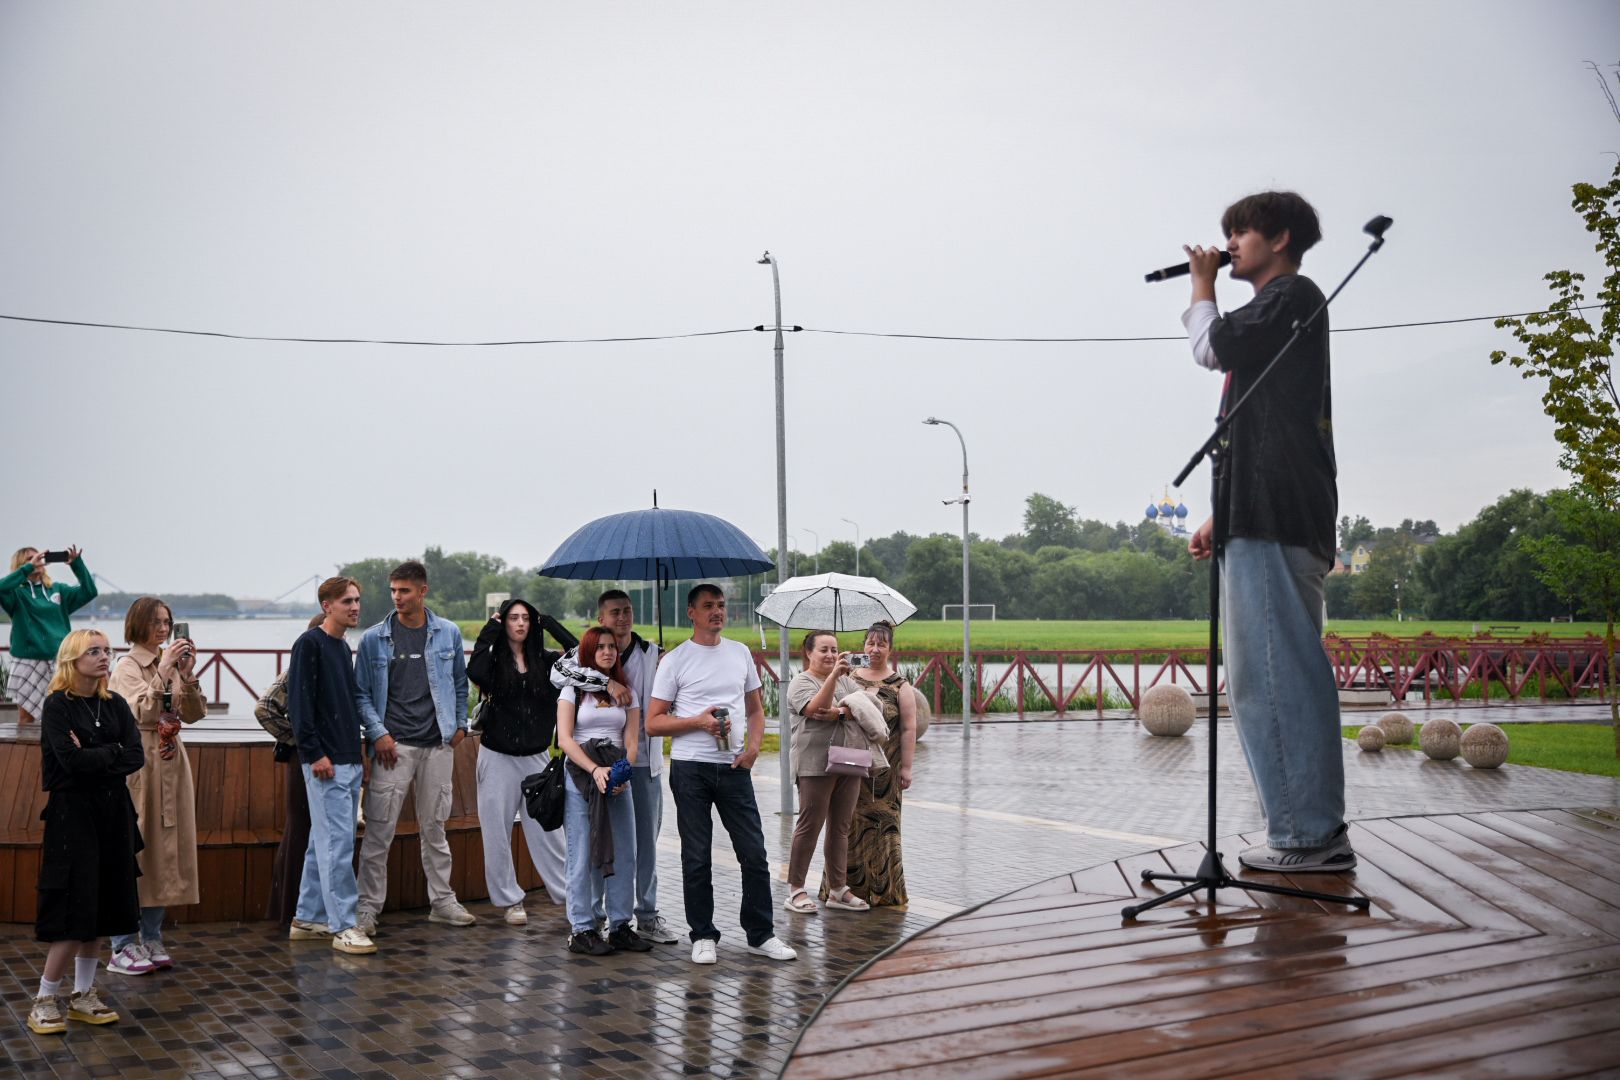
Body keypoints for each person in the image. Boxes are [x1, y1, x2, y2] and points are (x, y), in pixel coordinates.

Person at [1181, 190, 1353, 873]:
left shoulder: (1290, 297)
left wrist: (1201, 287)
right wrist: (1226, 510)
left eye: (1239, 234)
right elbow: (1267, 427)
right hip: (1269, 513)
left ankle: (1308, 837)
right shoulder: (1284, 311)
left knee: (1275, 678)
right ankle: (1306, 830)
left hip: (1277, 520)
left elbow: (1212, 346)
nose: (1229, 245)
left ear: (1278, 237)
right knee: (1272, 673)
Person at [647, 584, 796, 965]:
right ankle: (703, 935)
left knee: (755, 853)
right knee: (696, 856)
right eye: (708, 606)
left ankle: (760, 934)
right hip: (690, 768)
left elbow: (757, 710)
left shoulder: (740, 653)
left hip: (733, 768)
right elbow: (653, 723)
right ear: (691, 613)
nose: (717, 611)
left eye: (721, 605)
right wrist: (698, 722)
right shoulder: (675, 661)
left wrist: (753, 749)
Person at [27, 630, 144, 1035]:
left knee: (103, 906)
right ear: (72, 659)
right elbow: (70, 763)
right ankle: (44, 998)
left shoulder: (117, 705)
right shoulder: (57, 706)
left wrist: (100, 754)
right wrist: (110, 752)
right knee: (73, 908)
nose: (103, 657)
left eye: (106, 650)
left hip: (113, 813)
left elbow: (136, 755)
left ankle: (82, 995)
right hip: (72, 816)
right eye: (93, 651)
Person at [551, 589, 680, 944]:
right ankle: (588, 922)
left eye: (627, 611)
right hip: (586, 770)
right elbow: (557, 677)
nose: (622, 617)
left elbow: (657, 707)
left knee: (638, 846)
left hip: (636, 765)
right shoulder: (580, 660)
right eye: (614, 612)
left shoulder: (652, 653)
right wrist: (605, 681)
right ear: (601, 619)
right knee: (588, 846)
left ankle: (641, 918)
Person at [353, 560, 475, 934]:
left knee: (435, 829)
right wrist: (379, 734)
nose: (397, 597)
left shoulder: (448, 633)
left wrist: (459, 726)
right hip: (394, 747)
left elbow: (459, 684)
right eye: (393, 590)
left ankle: (442, 902)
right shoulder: (374, 638)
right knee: (378, 832)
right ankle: (367, 909)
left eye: (404, 591)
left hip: (438, 745)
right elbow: (360, 694)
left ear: (422, 591)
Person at [106, 597, 208, 975]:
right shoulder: (127, 666)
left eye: (168, 622)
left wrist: (188, 672)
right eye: (156, 622)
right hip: (140, 760)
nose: (164, 629)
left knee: (167, 851)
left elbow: (195, 714)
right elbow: (140, 711)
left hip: (171, 761)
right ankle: (121, 943)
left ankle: (151, 934)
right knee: (134, 851)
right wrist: (164, 670)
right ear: (139, 625)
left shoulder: (172, 664)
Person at [466, 598, 578, 925]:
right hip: (497, 757)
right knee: (496, 832)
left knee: (548, 831)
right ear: (504, 623)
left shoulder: (547, 662)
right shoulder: (494, 662)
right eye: (513, 618)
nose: (520, 624)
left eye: (525, 618)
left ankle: (571, 896)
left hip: (536, 758)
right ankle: (510, 901)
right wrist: (490, 626)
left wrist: (549, 622)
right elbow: (473, 670)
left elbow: (580, 654)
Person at [288, 577, 376, 955]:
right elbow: (300, 706)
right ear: (327, 605)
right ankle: (343, 925)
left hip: (346, 759)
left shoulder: (341, 646)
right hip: (325, 762)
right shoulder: (309, 644)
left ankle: (307, 918)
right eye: (346, 601)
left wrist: (359, 755)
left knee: (320, 844)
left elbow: (346, 702)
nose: (354, 606)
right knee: (336, 846)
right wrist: (314, 753)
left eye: (356, 600)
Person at [555, 627, 654, 956]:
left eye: (612, 646)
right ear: (587, 652)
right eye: (600, 647)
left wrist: (622, 772)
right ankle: (581, 928)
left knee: (626, 849)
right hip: (581, 776)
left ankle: (620, 924)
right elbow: (565, 740)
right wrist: (594, 770)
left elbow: (631, 739)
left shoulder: (627, 692)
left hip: (617, 776)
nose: (608, 652)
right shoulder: (572, 691)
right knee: (581, 852)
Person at [784, 630, 889, 915]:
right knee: (810, 825)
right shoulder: (800, 682)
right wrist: (833, 684)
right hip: (815, 763)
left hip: (849, 759)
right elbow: (815, 708)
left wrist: (840, 712)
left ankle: (838, 889)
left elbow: (865, 708)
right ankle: (795, 889)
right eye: (824, 650)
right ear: (809, 653)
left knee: (841, 826)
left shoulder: (847, 680)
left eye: (835, 649)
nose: (831, 655)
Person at [825, 620, 916, 908]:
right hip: (849, 765)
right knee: (845, 825)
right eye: (871, 643)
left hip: (884, 773)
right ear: (864, 645)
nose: (875, 649)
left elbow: (910, 729)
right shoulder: (848, 677)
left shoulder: (900, 686)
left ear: (890, 649)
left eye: (881, 644)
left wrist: (907, 768)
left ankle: (883, 890)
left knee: (883, 827)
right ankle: (841, 888)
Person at [257, 614, 326, 928]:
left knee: (305, 832)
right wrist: (298, 739)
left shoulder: (328, 666)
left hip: (319, 758)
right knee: (301, 832)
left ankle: (292, 910)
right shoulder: (297, 670)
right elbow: (264, 707)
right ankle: (291, 912)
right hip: (304, 760)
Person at [2, 546, 97, 726]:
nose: (38, 560)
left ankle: (61, 752)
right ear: (21, 564)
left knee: (66, 715)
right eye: (31, 558)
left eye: (39, 557)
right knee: (26, 719)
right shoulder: (16, 593)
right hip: (27, 662)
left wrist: (77, 565)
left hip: (60, 662)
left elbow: (89, 592)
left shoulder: (58, 589)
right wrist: (28, 568)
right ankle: (27, 754)